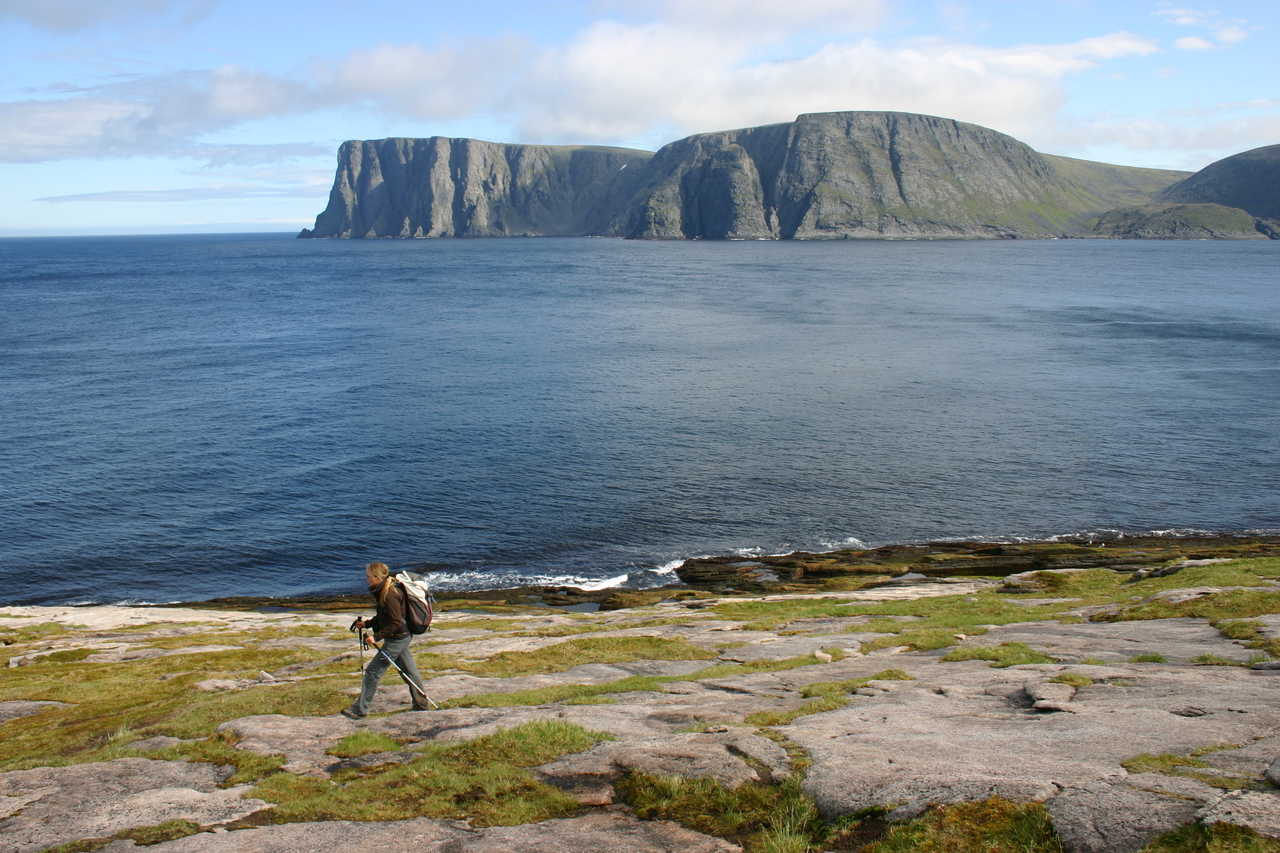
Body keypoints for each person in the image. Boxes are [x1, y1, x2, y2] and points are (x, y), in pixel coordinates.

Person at [342, 561, 431, 719]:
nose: (366, 579)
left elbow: (395, 622)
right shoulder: (384, 590)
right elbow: (385, 616)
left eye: (368, 576)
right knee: (410, 672)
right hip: (401, 637)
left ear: (376, 577)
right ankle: (421, 704)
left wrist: (375, 637)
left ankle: (359, 710)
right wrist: (367, 624)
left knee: (372, 672)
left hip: (398, 638)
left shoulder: (390, 594)